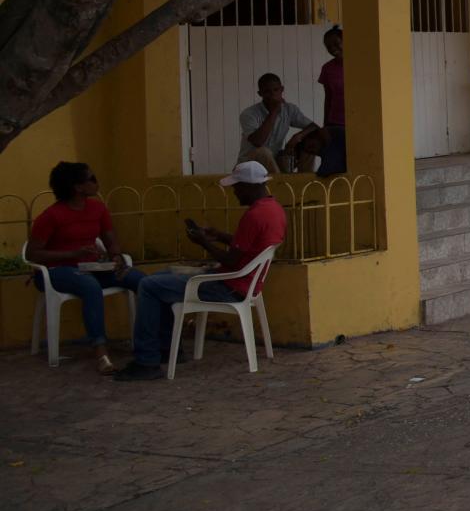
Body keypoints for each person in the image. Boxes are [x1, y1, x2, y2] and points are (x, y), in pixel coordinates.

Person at [115, 161, 287, 382]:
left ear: (249, 186)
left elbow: (232, 260)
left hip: (229, 286)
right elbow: (248, 246)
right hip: (244, 283)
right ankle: (169, 350)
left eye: (237, 186)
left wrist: (203, 243)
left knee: (148, 286)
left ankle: (146, 361)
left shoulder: (254, 215)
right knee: (160, 278)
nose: (234, 191)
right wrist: (218, 235)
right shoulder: (274, 210)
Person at [26, 162, 143, 374]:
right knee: (89, 286)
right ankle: (101, 352)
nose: (96, 183)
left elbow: (111, 240)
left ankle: (151, 341)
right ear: (77, 187)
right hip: (55, 272)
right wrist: (73, 254)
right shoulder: (52, 216)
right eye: (92, 179)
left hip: (91, 268)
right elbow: (33, 254)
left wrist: (116, 257)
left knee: (139, 279)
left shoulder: (98, 209)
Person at [237, 72, 325, 175]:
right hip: (250, 164)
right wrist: (274, 112)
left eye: (276, 90)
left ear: (282, 89)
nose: (272, 94)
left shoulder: (289, 109)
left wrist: (297, 137)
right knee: (263, 152)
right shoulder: (249, 114)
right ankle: (279, 185)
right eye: (267, 92)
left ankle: (304, 183)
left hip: (275, 161)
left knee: (310, 142)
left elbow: (314, 127)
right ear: (260, 94)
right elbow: (258, 142)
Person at [315, 26, 347, 177]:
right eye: (328, 47)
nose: (333, 49)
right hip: (335, 122)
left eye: (336, 44)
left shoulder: (361, 64)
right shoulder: (327, 68)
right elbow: (328, 98)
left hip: (356, 123)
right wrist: (326, 124)